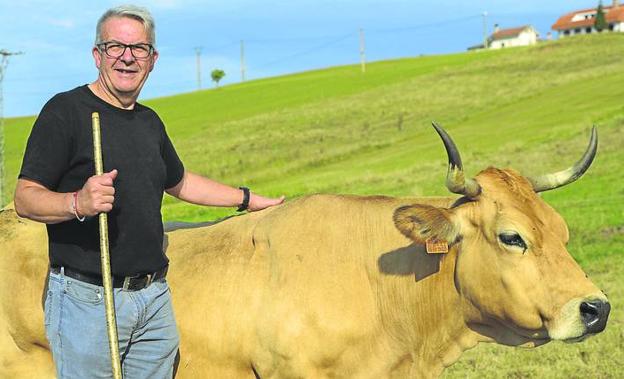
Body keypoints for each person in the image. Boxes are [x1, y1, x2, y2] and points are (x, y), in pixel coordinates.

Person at [14, 5, 284, 378]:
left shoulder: (149, 122)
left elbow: (181, 182)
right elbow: (25, 197)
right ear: (97, 55)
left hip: (152, 298)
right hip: (89, 299)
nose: (127, 57)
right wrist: (78, 201)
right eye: (115, 47)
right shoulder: (65, 112)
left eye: (139, 48)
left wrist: (248, 199)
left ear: (153, 59)